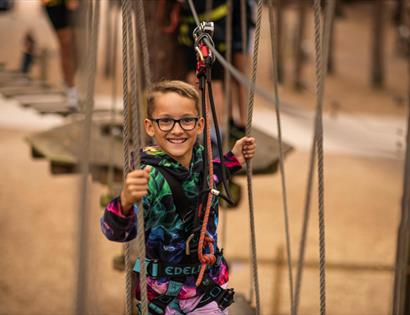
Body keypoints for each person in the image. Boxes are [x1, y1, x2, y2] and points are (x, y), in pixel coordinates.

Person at [101, 80, 256, 314]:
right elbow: (116, 232)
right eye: (165, 121)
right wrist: (124, 202)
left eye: (186, 120)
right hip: (162, 297)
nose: (176, 129)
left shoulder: (202, 162)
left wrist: (234, 159)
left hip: (207, 289)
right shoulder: (148, 177)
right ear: (150, 127)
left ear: (200, 124)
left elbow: (207, 177)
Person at [42, 0, 78, 109]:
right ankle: (71, 91)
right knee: (66, 45)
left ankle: (68, 80)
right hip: (54, 3)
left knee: (77, 47)